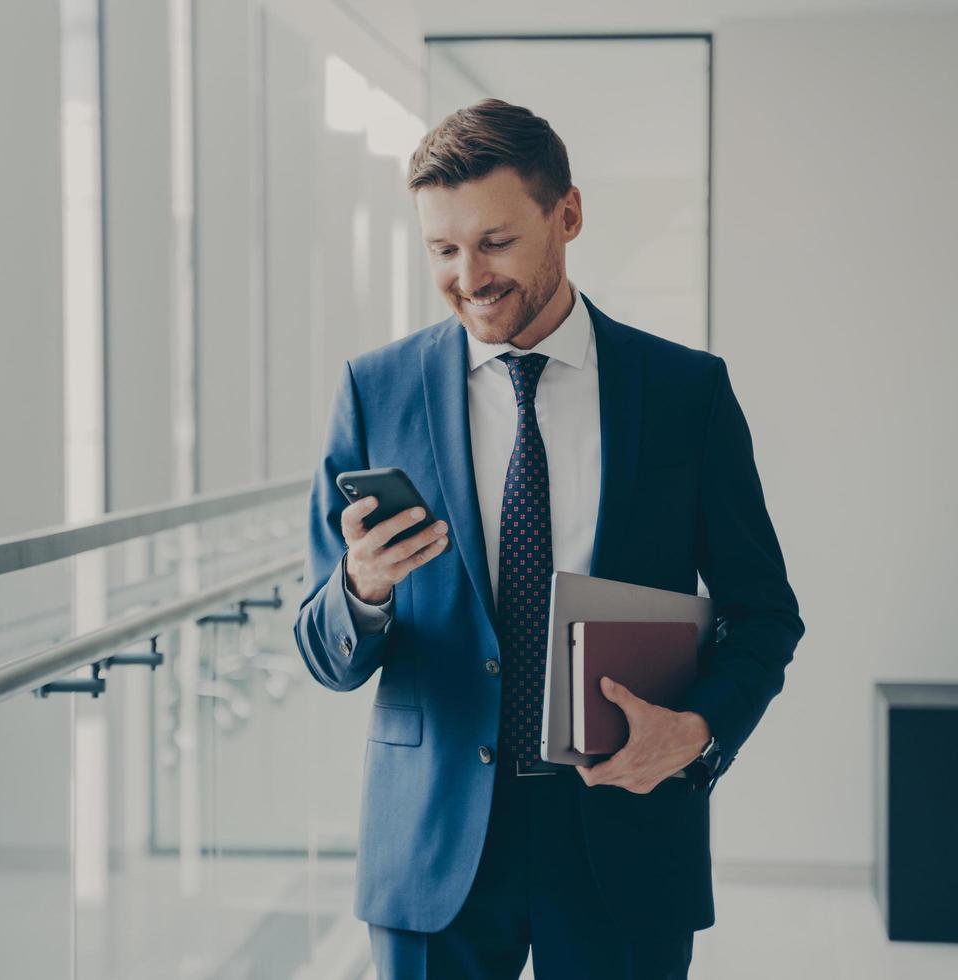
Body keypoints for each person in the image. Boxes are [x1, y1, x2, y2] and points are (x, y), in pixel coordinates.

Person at [293, 98, 804, 979]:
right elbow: (321, 647)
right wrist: (362, 589)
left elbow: (766, 615)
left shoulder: (687, 392)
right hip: (433, 842)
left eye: (495, 242)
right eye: (442, 250)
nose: (468, 276)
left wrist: (697, 733)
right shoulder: (375, 392)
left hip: (627, 833)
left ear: (566, 214)